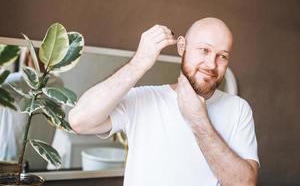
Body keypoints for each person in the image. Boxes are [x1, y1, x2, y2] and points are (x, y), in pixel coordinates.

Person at [69, 18, 259, 186]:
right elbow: (80, 121)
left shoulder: (238, 109)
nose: (211, 64)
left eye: (222, 56)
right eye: (204, 50)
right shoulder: (144, 99)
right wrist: (139, 62)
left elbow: (244, 183)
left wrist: (198, 120)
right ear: (182, 46)